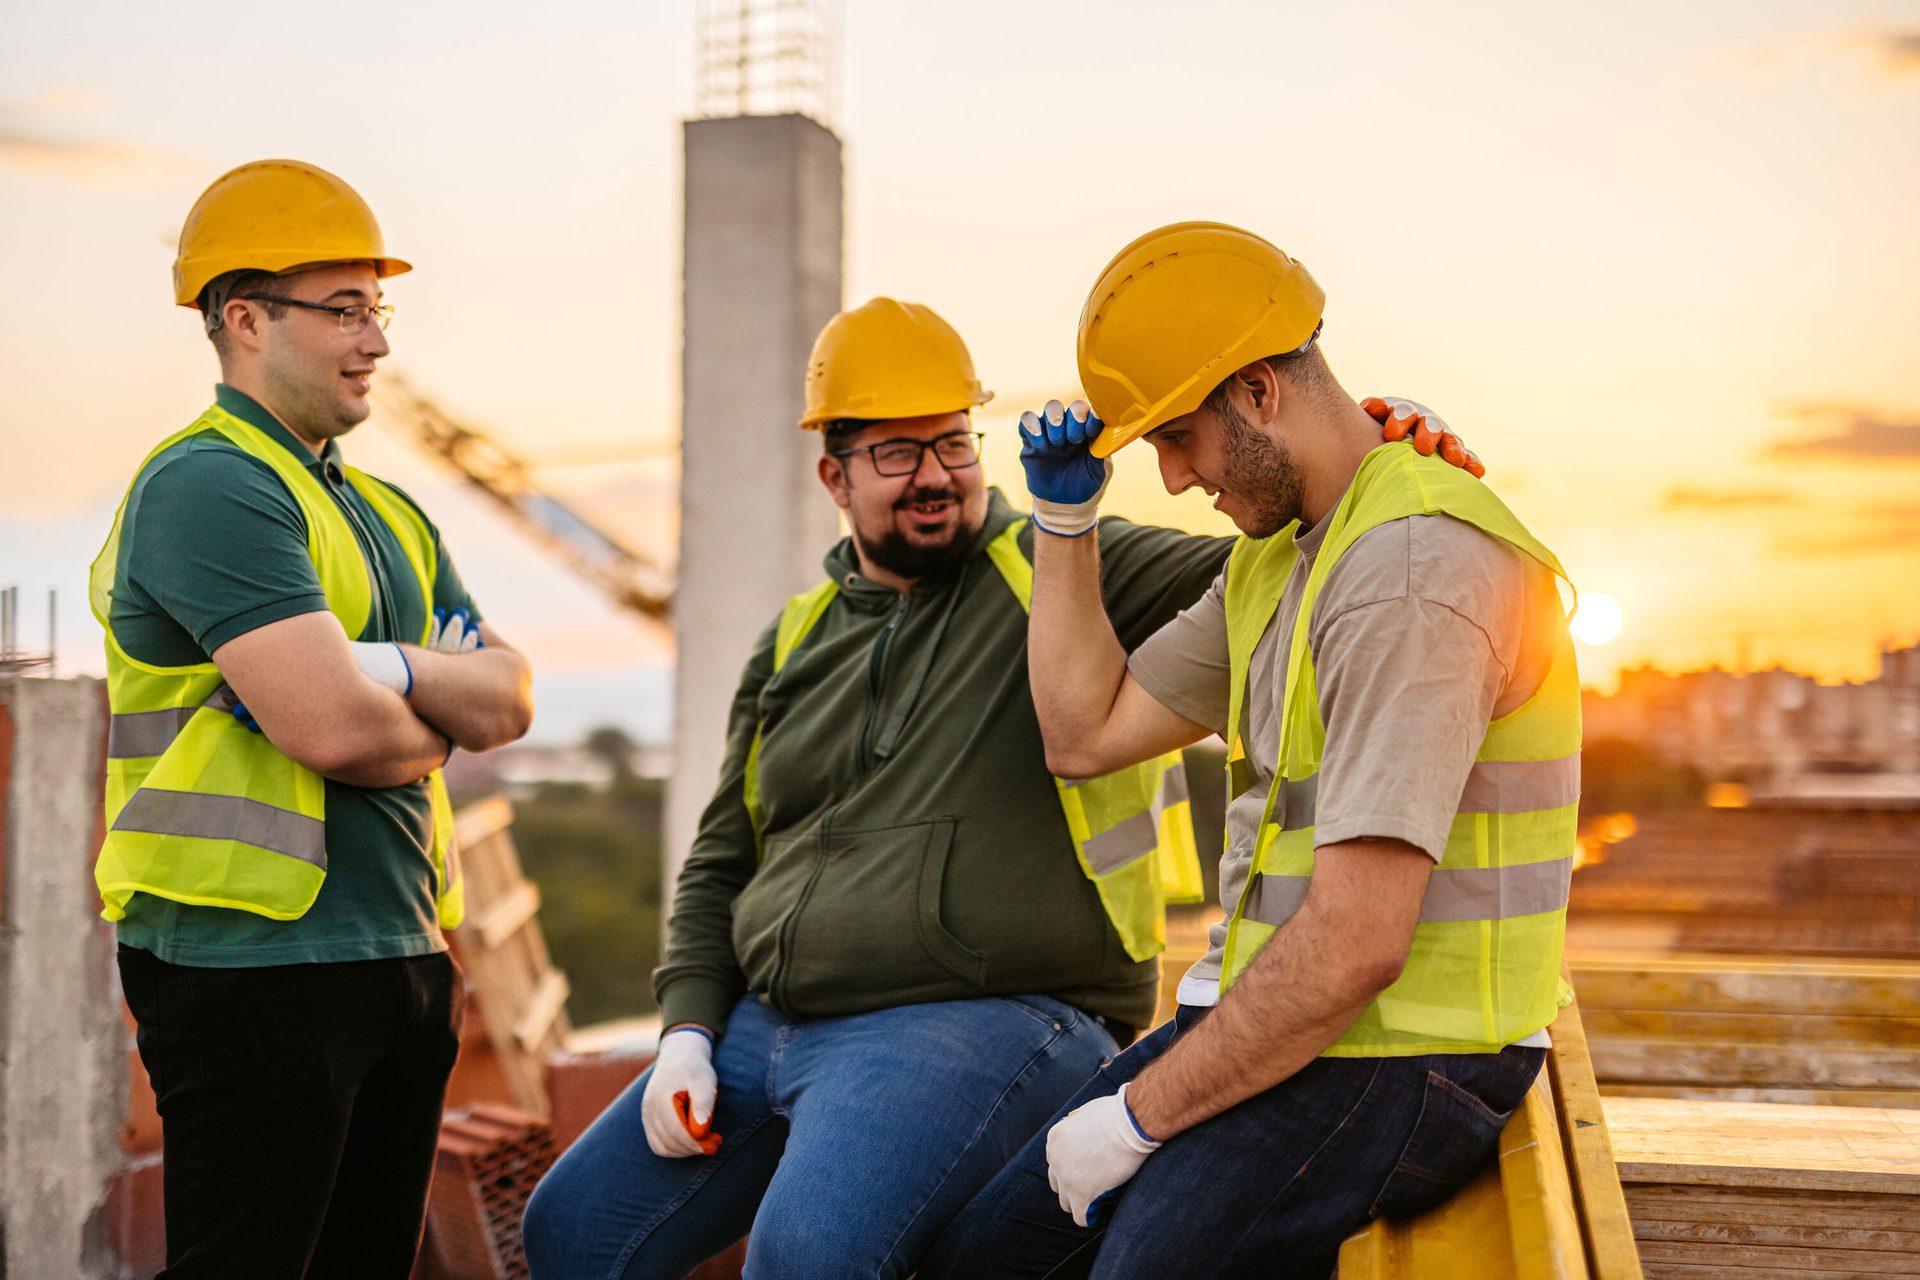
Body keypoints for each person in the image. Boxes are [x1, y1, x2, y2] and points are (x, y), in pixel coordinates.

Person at [522, 297, 1476, 1279]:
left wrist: (1380, 445)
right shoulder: (795, 637)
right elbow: (723, 855)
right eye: (895, 453)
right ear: (832, 475)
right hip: (765, 1025)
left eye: (951, 442)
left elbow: (1300, 551)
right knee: (570, 1230)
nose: (934, 474)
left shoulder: (1073, 567)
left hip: (982, 1019)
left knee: (807, 1259)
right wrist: (686, 1026)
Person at [923, 221, 1580, 1280]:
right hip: (1291, 1019)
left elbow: (1361, 943)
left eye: (1180, 436)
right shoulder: (1276, 561)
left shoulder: (1408, 572)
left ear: (1263, 391)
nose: (1175, 479)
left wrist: (1137, 1116)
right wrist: (1063, 522)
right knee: (983, 1259)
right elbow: (1084, 734)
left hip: (1412, 1052)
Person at [91, 159, 535, 1279]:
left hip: (399, 951)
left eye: (375, 308)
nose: (376, 340)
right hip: (251, 968)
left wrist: (378, 667)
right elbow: (335, 731)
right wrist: (429, 703)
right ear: (244, 319)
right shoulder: (210, 486)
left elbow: (512, 695)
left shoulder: (386, 509)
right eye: (343, 309)